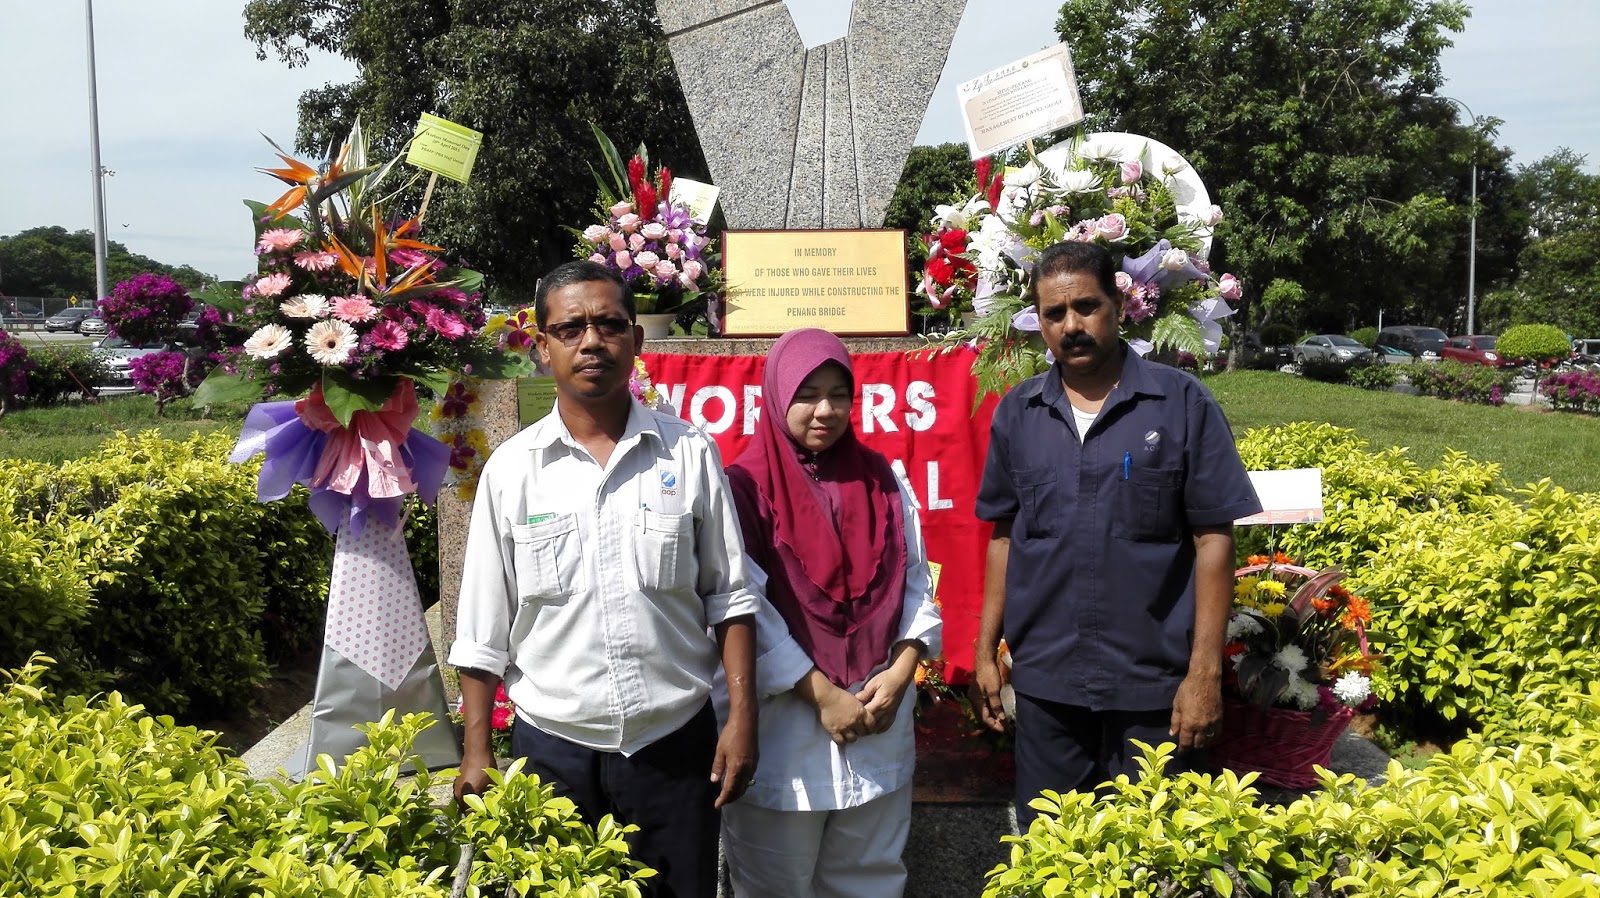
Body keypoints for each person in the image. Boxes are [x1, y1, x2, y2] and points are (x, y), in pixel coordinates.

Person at [450, 260, 758, 898]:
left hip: (673, 744)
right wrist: (477, 752)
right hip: (552, 750)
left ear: (636, 339)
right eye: (570, 329)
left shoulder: (689, 453)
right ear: (544, 347)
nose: (591, 341)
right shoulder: (512, 471)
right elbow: (482, 630)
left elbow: (730, 598)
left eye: (610, 324)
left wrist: (741, 721)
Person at [970, 242, 1261, 828]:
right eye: (1055, 313)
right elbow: (1004, 536)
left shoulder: (1180, 404)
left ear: (1119, 307)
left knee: (1160, 858)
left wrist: (1205, 672)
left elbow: (1213, 539)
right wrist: (984, 652)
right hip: (1049, 684)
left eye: (1087, 306)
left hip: (1156, 688)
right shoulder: (1018, 414)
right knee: (1050, 853)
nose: (1071, 325)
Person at [719, 328, 941, 898]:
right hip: (786, 735)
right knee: (775, 886)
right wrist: (822, 695)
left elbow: (917, 582)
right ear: (776, 396)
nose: (825, 411)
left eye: (839, 394)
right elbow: (744, 608)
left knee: (870, 880)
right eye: (807, 394)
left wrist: (900, 672)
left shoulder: (883, 479)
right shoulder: (742, 489)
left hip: (876, 721)